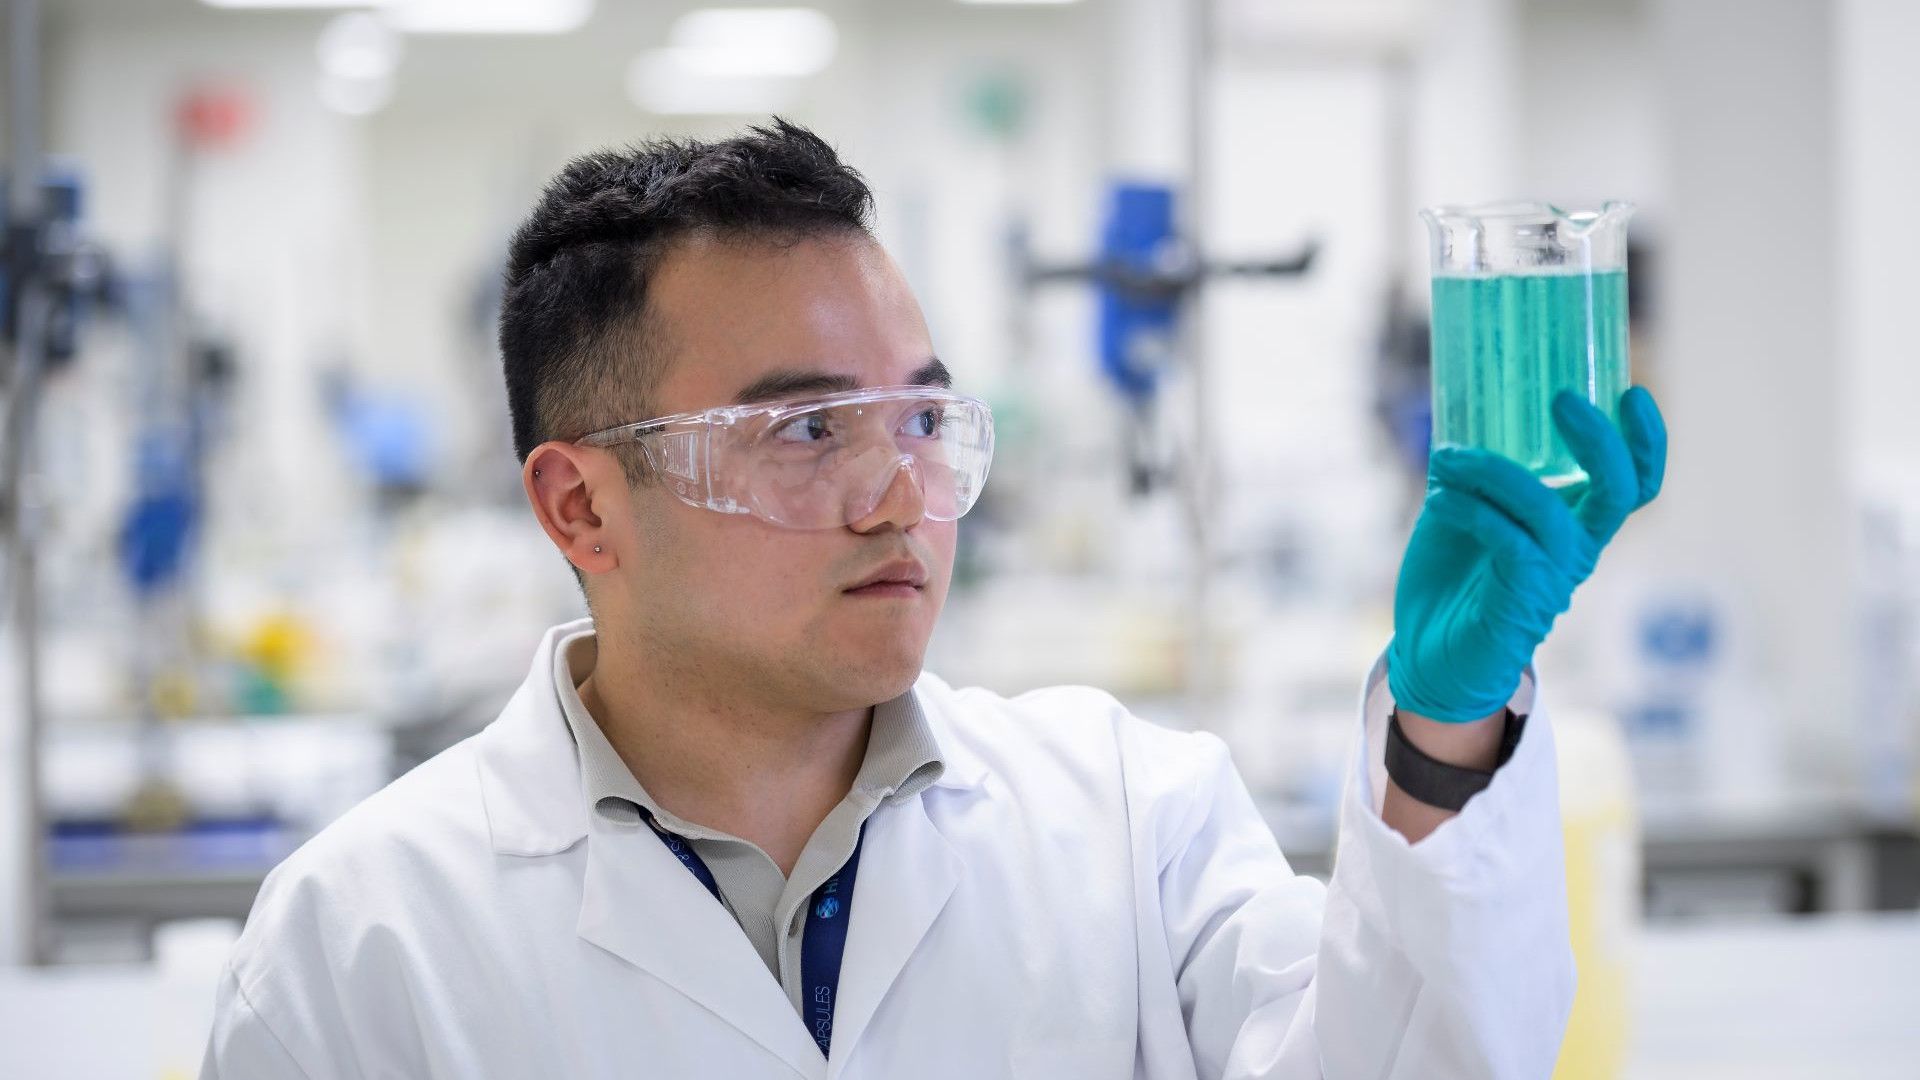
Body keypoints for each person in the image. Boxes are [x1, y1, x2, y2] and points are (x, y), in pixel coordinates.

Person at [201, 119, 1666, 1079]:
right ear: (580, 505)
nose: (900, 492)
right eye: (803, 430)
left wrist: (1446, 727)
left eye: (919, 420)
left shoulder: (1126, 820)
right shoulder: (362, 940)